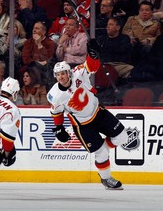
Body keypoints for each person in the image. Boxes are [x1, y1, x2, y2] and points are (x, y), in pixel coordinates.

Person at [46, 39, 128, 190]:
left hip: (99, 113)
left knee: (123, 137)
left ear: (69, 72)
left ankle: (101, 148)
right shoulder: (55, 95)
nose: (61, 77)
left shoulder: (78, 74)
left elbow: (92, 67)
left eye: (63, 73)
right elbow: (56, 112)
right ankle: (106, 179)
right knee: (102, 154)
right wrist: (59, 129)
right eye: (58, 75)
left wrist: (92, 55)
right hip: (83, 126)